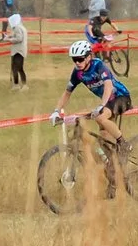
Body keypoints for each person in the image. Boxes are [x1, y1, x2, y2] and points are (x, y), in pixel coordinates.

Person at [55, 37, 132, 177]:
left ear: (89, 56)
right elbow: (67, 93)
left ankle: (124, 144)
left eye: (80, 58)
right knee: (103, 139)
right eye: (74, 59)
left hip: (121, 97)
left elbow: (108, 85)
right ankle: (113, 170)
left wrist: (102, 105)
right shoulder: (77, 73)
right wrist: (56, 111)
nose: (77, 62)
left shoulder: (99, 65)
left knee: (101, 118)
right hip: (107, 101)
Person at [7, 11, 29, 87]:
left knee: (17, 68)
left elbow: (19, 39)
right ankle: (20, 84)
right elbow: (16, 36)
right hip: (20, 51)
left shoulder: (17, 28)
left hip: (18, 51)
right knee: (18, 69)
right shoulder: (21, 27)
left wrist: (9, 40)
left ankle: (20, 85)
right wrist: (9, 37)